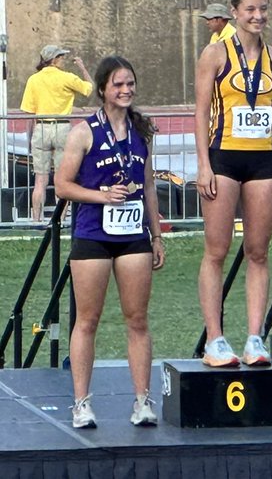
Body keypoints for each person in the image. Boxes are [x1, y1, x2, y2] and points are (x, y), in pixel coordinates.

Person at [53, 56, 164, 430]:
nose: (126, 90)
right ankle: (81, 403)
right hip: (92, 235)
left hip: (133, 236)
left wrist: (157, 234)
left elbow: (148, 185)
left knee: (137, 319)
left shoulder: (140, 131)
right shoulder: (84, 132)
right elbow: (62, 186)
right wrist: (102, 195)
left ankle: (142, 400)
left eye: (130, 83)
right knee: (88, 319)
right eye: (118, 84)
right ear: (103, 89)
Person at [194, 0, 272, 368]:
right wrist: (203, 164)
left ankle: (255, 338)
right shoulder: (215, 54)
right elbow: (200, 113)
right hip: (223, 158)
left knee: (258, 251)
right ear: (234, 12)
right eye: (250, 9)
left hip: (263, 162)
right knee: (216, 251)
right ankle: (215, 340)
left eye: (263, 9)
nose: (258, 16)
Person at [20, 44, 93, 224]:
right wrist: (82, 67)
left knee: (40, 179)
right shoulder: (66, 77)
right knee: (63, 178)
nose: (63, 60)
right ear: (54, 60)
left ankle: (36, 220)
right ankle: (59, 220)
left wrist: (31, 135)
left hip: (42, 127)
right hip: (61, 128)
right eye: (61, 57)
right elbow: (89, 88)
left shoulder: (33, 80)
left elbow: (29, 111)